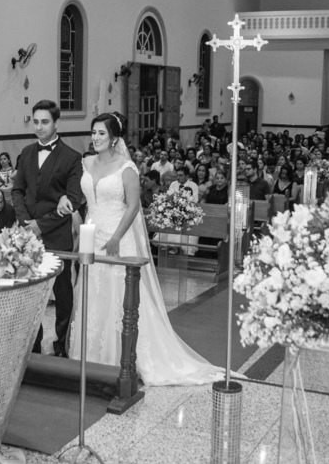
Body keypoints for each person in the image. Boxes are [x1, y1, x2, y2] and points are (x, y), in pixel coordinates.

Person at [69, 112, 220, 385]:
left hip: (118, 236)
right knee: (94, 293)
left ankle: (123, 359)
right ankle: (92, 355)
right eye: (93, 132)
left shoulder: (126, 167)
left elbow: (132, 207)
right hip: (92, 234)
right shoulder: (86, 162)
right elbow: (83, 198)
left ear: (114, 138)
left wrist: (116, 238)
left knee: (119, 295)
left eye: (102, 133)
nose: (96, 138)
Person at [12, 99, 84, 357]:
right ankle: (33, 344)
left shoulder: (72, 158)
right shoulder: (27, 152)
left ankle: (61, 344)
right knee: (31, 292)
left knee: (62, 293)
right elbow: (18, 190)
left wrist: (41, 225)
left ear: (56, 123)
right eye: (36, 122)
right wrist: (26, 223)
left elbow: (73, 199)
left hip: (56, 235)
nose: (39, 127)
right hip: (27, 235)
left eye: (45, 122)